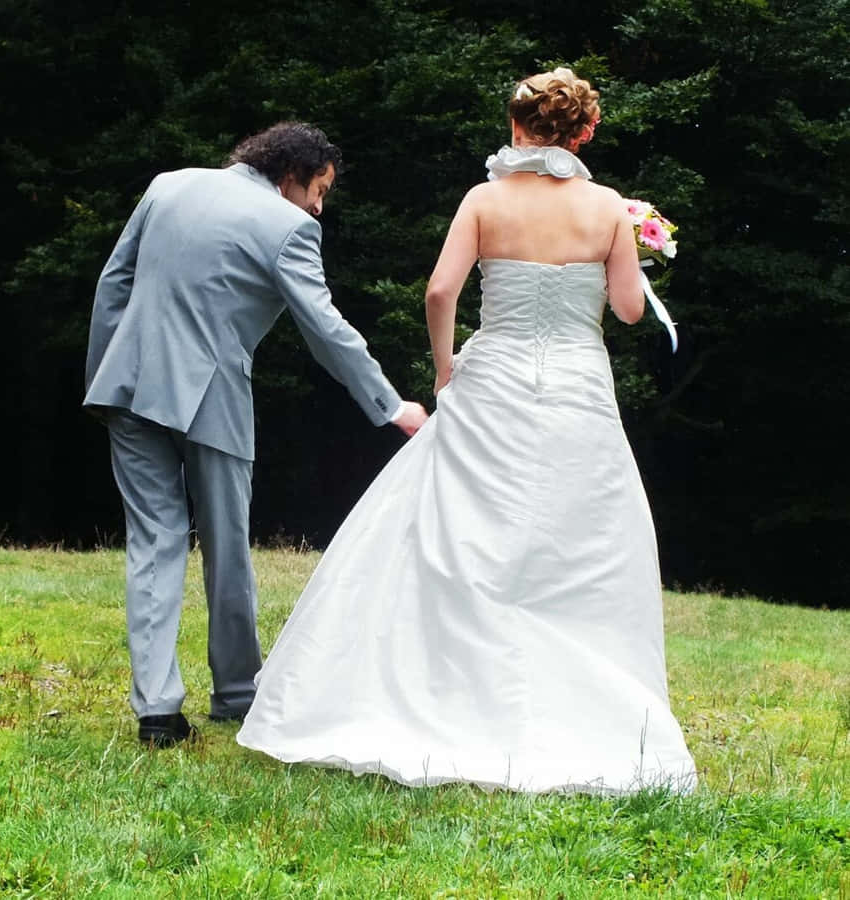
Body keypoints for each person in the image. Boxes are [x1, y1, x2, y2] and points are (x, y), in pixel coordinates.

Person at [236, 71, 696, 793]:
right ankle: (581, 703)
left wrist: (447, 367)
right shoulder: (608, 206)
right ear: (581, 133)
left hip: (496, 375)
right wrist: (633, 250)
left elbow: (440, 291)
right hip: (577, 382)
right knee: (582, 531)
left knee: (457, 526)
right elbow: (631, 312)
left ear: (518, 128)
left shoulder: (484, 199)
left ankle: (438, 682)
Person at [84, 122, 428, 748]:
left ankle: (157, 711)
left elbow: (115, 284)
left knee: (153, 545)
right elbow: (326, 329)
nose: (320, 205)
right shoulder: (289, 228)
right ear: (291, 174)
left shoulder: (169, 186)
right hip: (210, 400)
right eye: (319, 189)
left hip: (128, 387)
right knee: (227, 547)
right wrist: (390, 405)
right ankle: (238, 693)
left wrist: (104, 378)